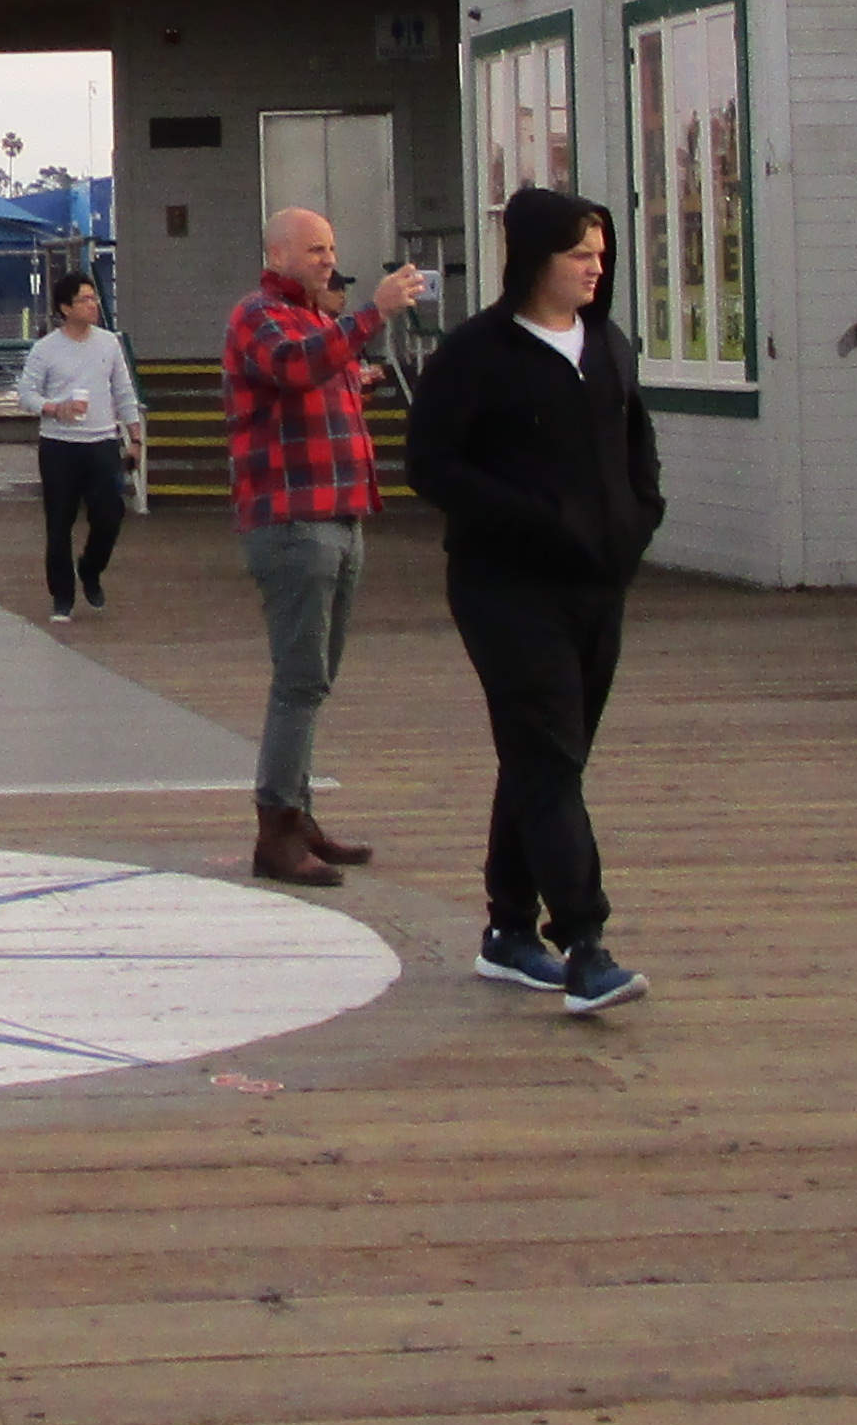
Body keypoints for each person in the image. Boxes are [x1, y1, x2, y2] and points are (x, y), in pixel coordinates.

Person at [405, 187, 659, 1010]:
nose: (595, 267)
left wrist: (635, 524)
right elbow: (431, 466)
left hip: (596, 585)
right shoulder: (476, 354)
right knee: (548, 752)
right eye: (579, 253)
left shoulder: (607, 346)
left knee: (547, 754)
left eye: (600, 253)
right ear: (534, 260)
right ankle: (584, 942)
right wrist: (529, 518)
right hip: (504, 587)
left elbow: (637, 451)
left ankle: (509, 929)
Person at [224, 205, 432, 888]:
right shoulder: (259, 315)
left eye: (331, 248)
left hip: (339, 517)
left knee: (315, 678)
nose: (326, 260)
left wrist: (357, 377)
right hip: (292, 520)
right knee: (299, 678)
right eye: (314, 249)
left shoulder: (318, 320)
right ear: (278, 253)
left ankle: (299, 813)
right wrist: (371, 316)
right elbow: (293, 368)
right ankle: (276, 829)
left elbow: (321, 377)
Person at [19, 269, 144, 622]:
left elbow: (123, 391)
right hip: (59, 445)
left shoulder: (108, 343)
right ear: (65, 307)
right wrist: (54, 408)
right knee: (59, 522)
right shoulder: (46, 349)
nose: (93, 305)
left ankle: (90, 568)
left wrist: (134, 437)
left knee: (110, 515)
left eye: (93, 298)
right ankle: (62, 596)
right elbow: (26, 395)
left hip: (102, 442)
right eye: (84, 300)